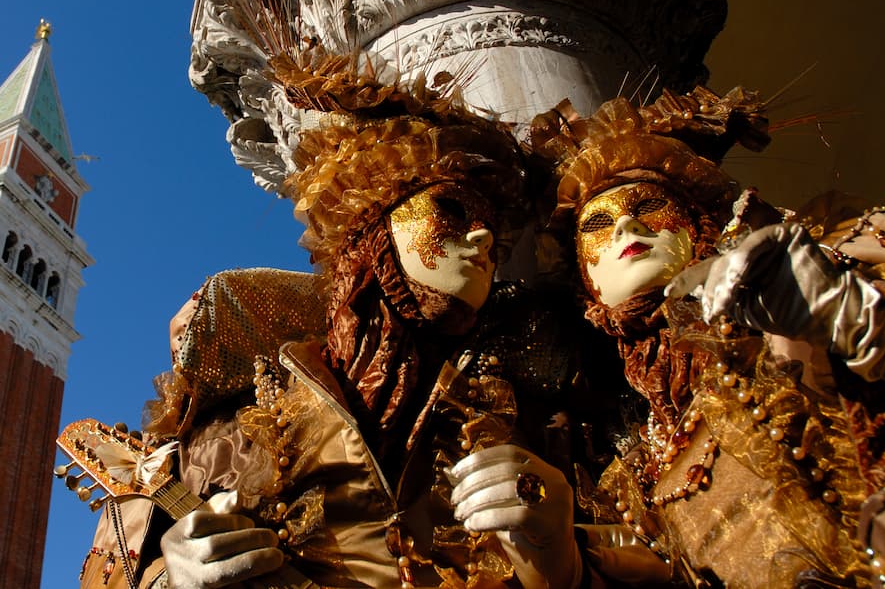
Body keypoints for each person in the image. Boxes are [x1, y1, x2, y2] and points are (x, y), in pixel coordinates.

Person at [80, 51, 658, 588]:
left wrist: (557, 555)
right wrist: (169, 576)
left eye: (492, 231)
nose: (482, 237)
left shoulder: (539, 423)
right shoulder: (236, 432)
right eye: (450, 212)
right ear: (374, 238)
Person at [528, 86, 885, 587]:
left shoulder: (808, 281)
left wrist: (851, 315)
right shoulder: (635, 447)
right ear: (583, 278)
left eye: (649, 204)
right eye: (598, 225)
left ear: (698, 225)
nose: (625, 224)